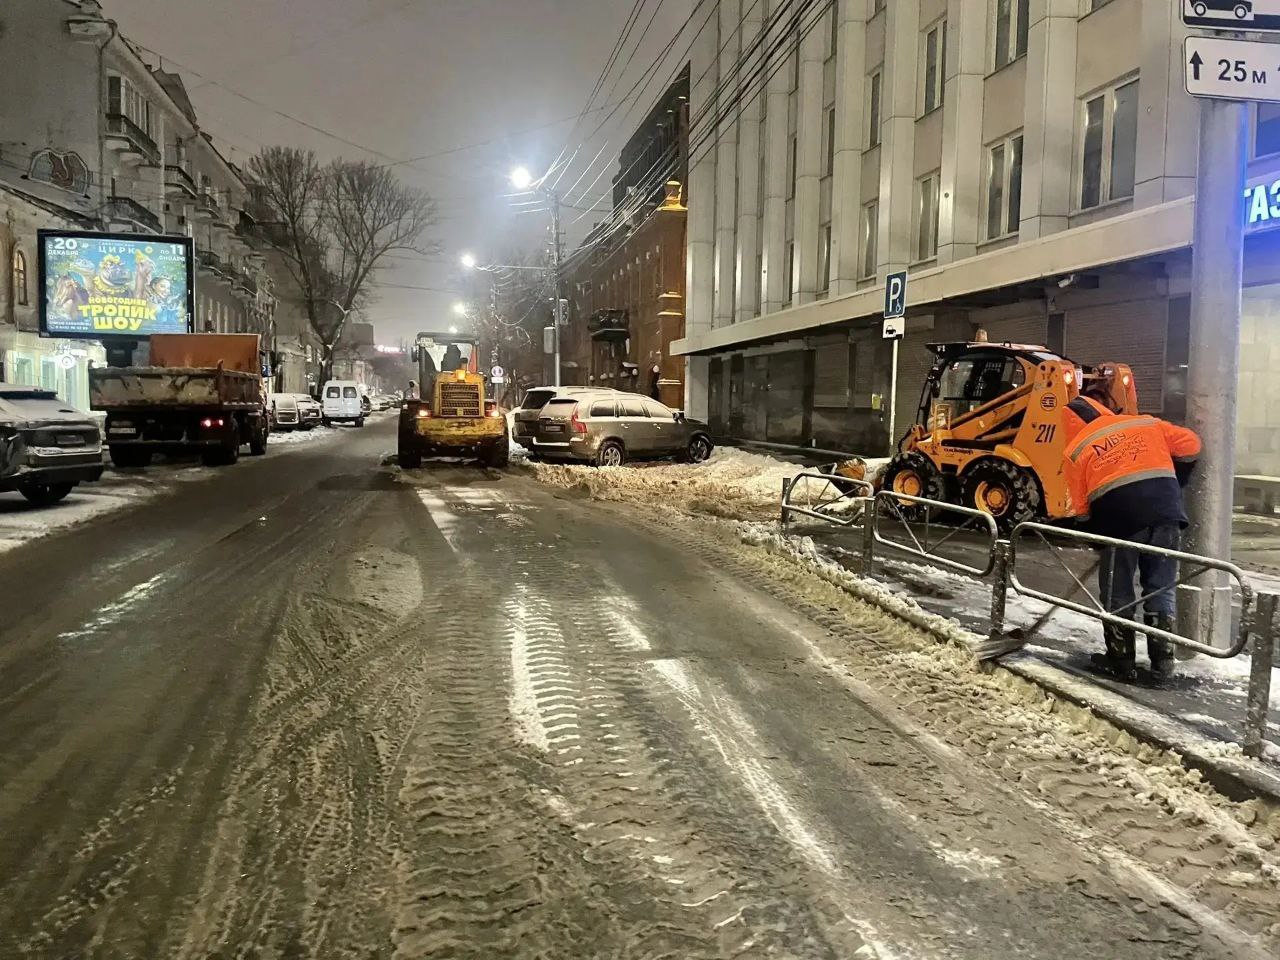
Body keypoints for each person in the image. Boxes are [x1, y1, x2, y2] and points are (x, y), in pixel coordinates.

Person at [1061, 387, 1201, 680]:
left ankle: (1121, 661)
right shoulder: (1145, 423)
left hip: (1119, 525)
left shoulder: (1075, 449)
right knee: (1161, 588)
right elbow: (1191, 446)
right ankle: (1162, 663)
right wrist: (1176, 481)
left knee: (1118, 592)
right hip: (1167, 516)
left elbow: (1080, 510)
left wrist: (1093, 538)